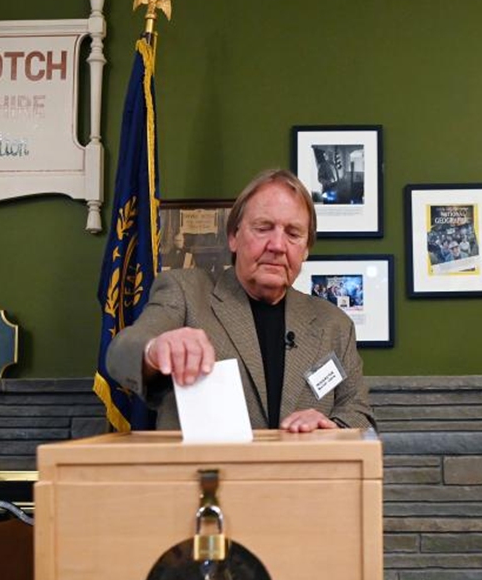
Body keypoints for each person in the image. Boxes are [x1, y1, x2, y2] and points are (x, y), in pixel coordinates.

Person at [106, 168, 375, 433]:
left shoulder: (335, 325)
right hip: (208, 475)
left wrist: (330, 427)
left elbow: (359, 412)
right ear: (234, 237)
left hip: (302, 476)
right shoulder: (186, 292)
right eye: (263, 228)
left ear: (305, 249)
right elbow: (120, 355)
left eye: (293, 234)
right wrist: (156, 349)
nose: (278, 246)